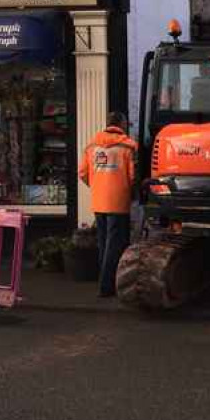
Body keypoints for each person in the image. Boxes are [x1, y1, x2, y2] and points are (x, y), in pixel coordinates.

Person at [79, 112, 138, 298]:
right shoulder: (128, 147)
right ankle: (107, 287)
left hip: (99, 201)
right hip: (118, 202)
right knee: (115, 244)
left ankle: (104, 282)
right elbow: (133, 176)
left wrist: (96, 185)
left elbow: (82, 173)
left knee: (104, 243)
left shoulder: (92, 145)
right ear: (121, 124)